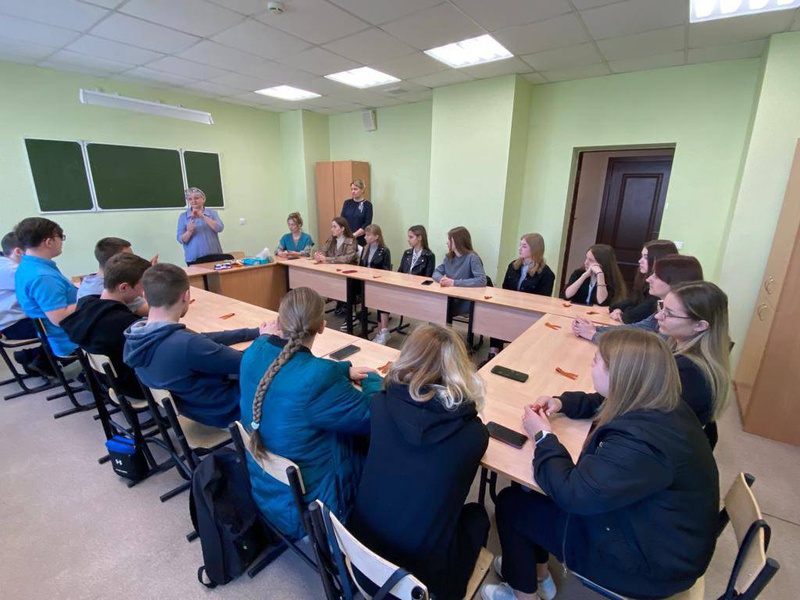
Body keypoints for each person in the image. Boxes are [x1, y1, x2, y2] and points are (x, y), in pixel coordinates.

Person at [482, 328, 719, 600]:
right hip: (658, 534)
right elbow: (601, 400)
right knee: (530, 492)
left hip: (648, 567)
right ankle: (538, 577)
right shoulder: (659, 401)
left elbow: (572, 494)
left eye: (596, 362)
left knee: (512, 505)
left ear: (619, 376)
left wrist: (543, 436)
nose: (591, 366)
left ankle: (524, 594)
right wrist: (560, 402)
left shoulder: (641, 443)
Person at [349, 324, 490, 600]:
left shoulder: (379, 405)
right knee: (477, 515)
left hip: (359, 563)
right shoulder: (473, 435)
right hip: (420, 586)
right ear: (460, 370)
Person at [239, 287, 382, 539]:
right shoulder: (317, 377)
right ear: (323, 326)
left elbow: (295, 371)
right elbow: (374, 417)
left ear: (279, 322)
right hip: (312, 505)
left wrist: (342, 369)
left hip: (265, 488)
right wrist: (373, 380)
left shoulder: (256, 349)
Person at [123, 263, 267, 428]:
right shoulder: (186, 345)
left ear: (145, 296)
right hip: (223, 411)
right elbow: (248, 362)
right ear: (186, 296)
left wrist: (253, 332)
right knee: (275, 373)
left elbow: (201, 339)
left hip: (188, 409)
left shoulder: (137, 336)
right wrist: (267, 338)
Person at [62, 253, 152, 400]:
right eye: (142, 287)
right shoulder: (123, 323)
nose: (143, 292)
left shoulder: (86, 303)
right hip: (135, 386)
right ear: (124, 287)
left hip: (108, 381)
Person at [572, 254, 704, 343]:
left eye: (656, 276)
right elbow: (639, 328)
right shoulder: (662, 306)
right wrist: (595, 329)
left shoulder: (676, 319)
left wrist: (594, 335)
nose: (648, 279)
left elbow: (648, 352)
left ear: (675, 281)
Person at [656, 281, 732, 428]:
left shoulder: (690, 373)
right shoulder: (678, 347)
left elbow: (656, 420)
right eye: (662, 306)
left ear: (699, 325)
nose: (658, 316)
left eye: (669, 313)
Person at [13, 217, 78, 358]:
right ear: (49, 242)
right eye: (61, 237)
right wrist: (88, 299)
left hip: (57, 335)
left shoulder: (27, 266)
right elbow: (60, 318)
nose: (62, 242)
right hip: (70, 339)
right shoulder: (43, 277)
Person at [487, 233, 555, 361]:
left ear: (535, 249)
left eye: (524, 246)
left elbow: (543, 300)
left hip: (529, 313)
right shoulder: (513, 266)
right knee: (497, 316)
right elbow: (505, 288)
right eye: (520, 245)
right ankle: (493, 353)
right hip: (510, 307)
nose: (519, 249)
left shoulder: (546, 274)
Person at [0, 231, 49, 375]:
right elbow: (43, 293)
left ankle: (32, 356)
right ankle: (40, 359)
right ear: (19, 252)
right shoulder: (13, 270)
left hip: (10, 322)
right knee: (70, 325)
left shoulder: (5, 264)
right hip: (17, 324)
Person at [77, 236, 154, 316]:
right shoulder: (115, 290)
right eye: (128, 258)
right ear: (116, 261)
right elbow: (154, 310)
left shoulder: (88, 281)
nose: (134, 259)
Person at [608, 240, 677, 324]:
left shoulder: (661, 288)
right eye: (642, 256)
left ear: (659, 259)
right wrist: (618, 309)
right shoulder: (644, 281)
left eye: (646, 257)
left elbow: (631, 316)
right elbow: (627, 303)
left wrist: (623, 312)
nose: (640, 261)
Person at [433, 226, 486, 316]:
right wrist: (441, 279)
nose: (447, 242)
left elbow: (482, 280)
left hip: (466, 299)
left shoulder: (472, 258)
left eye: (449, 239)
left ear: (458, 241)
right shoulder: (449, 257)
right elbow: (436, 272)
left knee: (439, 307)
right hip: (451, 295)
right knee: (434, 303)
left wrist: (454, 283)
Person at [357, 224, 392, 344]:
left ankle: (384, 331)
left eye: (368, 235)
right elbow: (361, 266)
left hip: (379, 283)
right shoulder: (365, 249)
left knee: (381, 302)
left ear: (376, 236)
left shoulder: (384, 251)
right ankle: (379, 331)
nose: (365, 237)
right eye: (365, 235)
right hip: (366, 281)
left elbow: (386, 270)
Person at [562, 244, 626, 306]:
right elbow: (566, 295)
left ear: (602, 263)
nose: (586, 262)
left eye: (591, 260)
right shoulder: (578, 273)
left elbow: (602, 302)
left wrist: (600, 275)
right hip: (576, 311)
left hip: (597, 312)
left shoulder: (611, 279)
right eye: (586, 258)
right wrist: (584, 276)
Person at [176, 187, 225, 265]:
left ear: (203, 199)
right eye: (190, 199)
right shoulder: (183, 217)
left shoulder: (212, 213)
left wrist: (203, 217)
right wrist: (189, 232)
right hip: (194, 259)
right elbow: (180, 239)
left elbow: (219, 228)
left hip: (215, 256)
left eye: (196, 198)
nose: (193, 201)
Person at [340, 179, 372, 248]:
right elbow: (342, 220)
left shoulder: (367, 205)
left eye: (355, 189)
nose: (353, 191)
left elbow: (367, 224)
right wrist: (345, 235)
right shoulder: (347, 203)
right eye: (351, 189)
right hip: (346, 238)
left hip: (361, 240)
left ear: (362, 190)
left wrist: (354, 235)